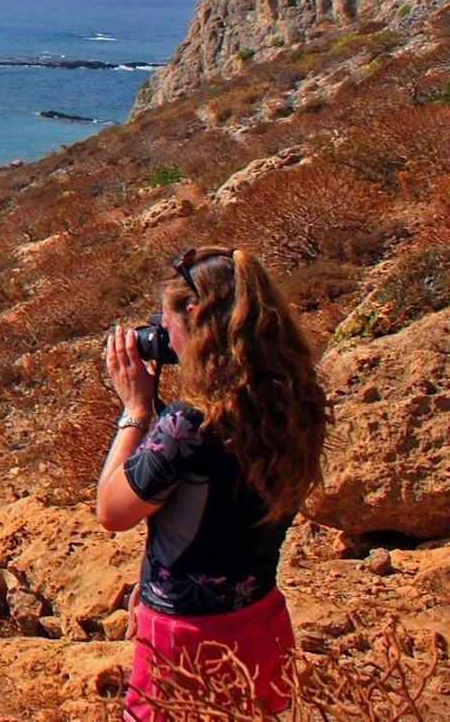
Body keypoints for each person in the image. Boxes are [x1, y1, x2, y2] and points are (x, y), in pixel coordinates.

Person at [96, 247, 330, 719]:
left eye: (166, 327)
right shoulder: (297, 402)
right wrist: (154, 574)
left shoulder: (189, 425)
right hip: (262, 621)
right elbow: (214, 515)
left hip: (187, 640)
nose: (164, 339)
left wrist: (136, 410)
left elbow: (112, 511)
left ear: (194, 316)